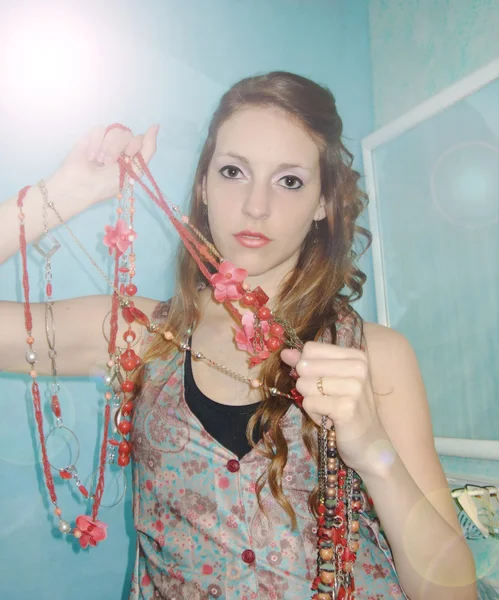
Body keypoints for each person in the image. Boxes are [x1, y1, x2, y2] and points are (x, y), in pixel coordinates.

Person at [0, 72, 476, 600]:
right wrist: (66, 193)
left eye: (289, 180)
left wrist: (372, 450)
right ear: (203, 186)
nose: (255, 206)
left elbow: (454, 591)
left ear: (323, 201)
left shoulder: (376, 356)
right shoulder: (140, 334)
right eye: (233, 172)